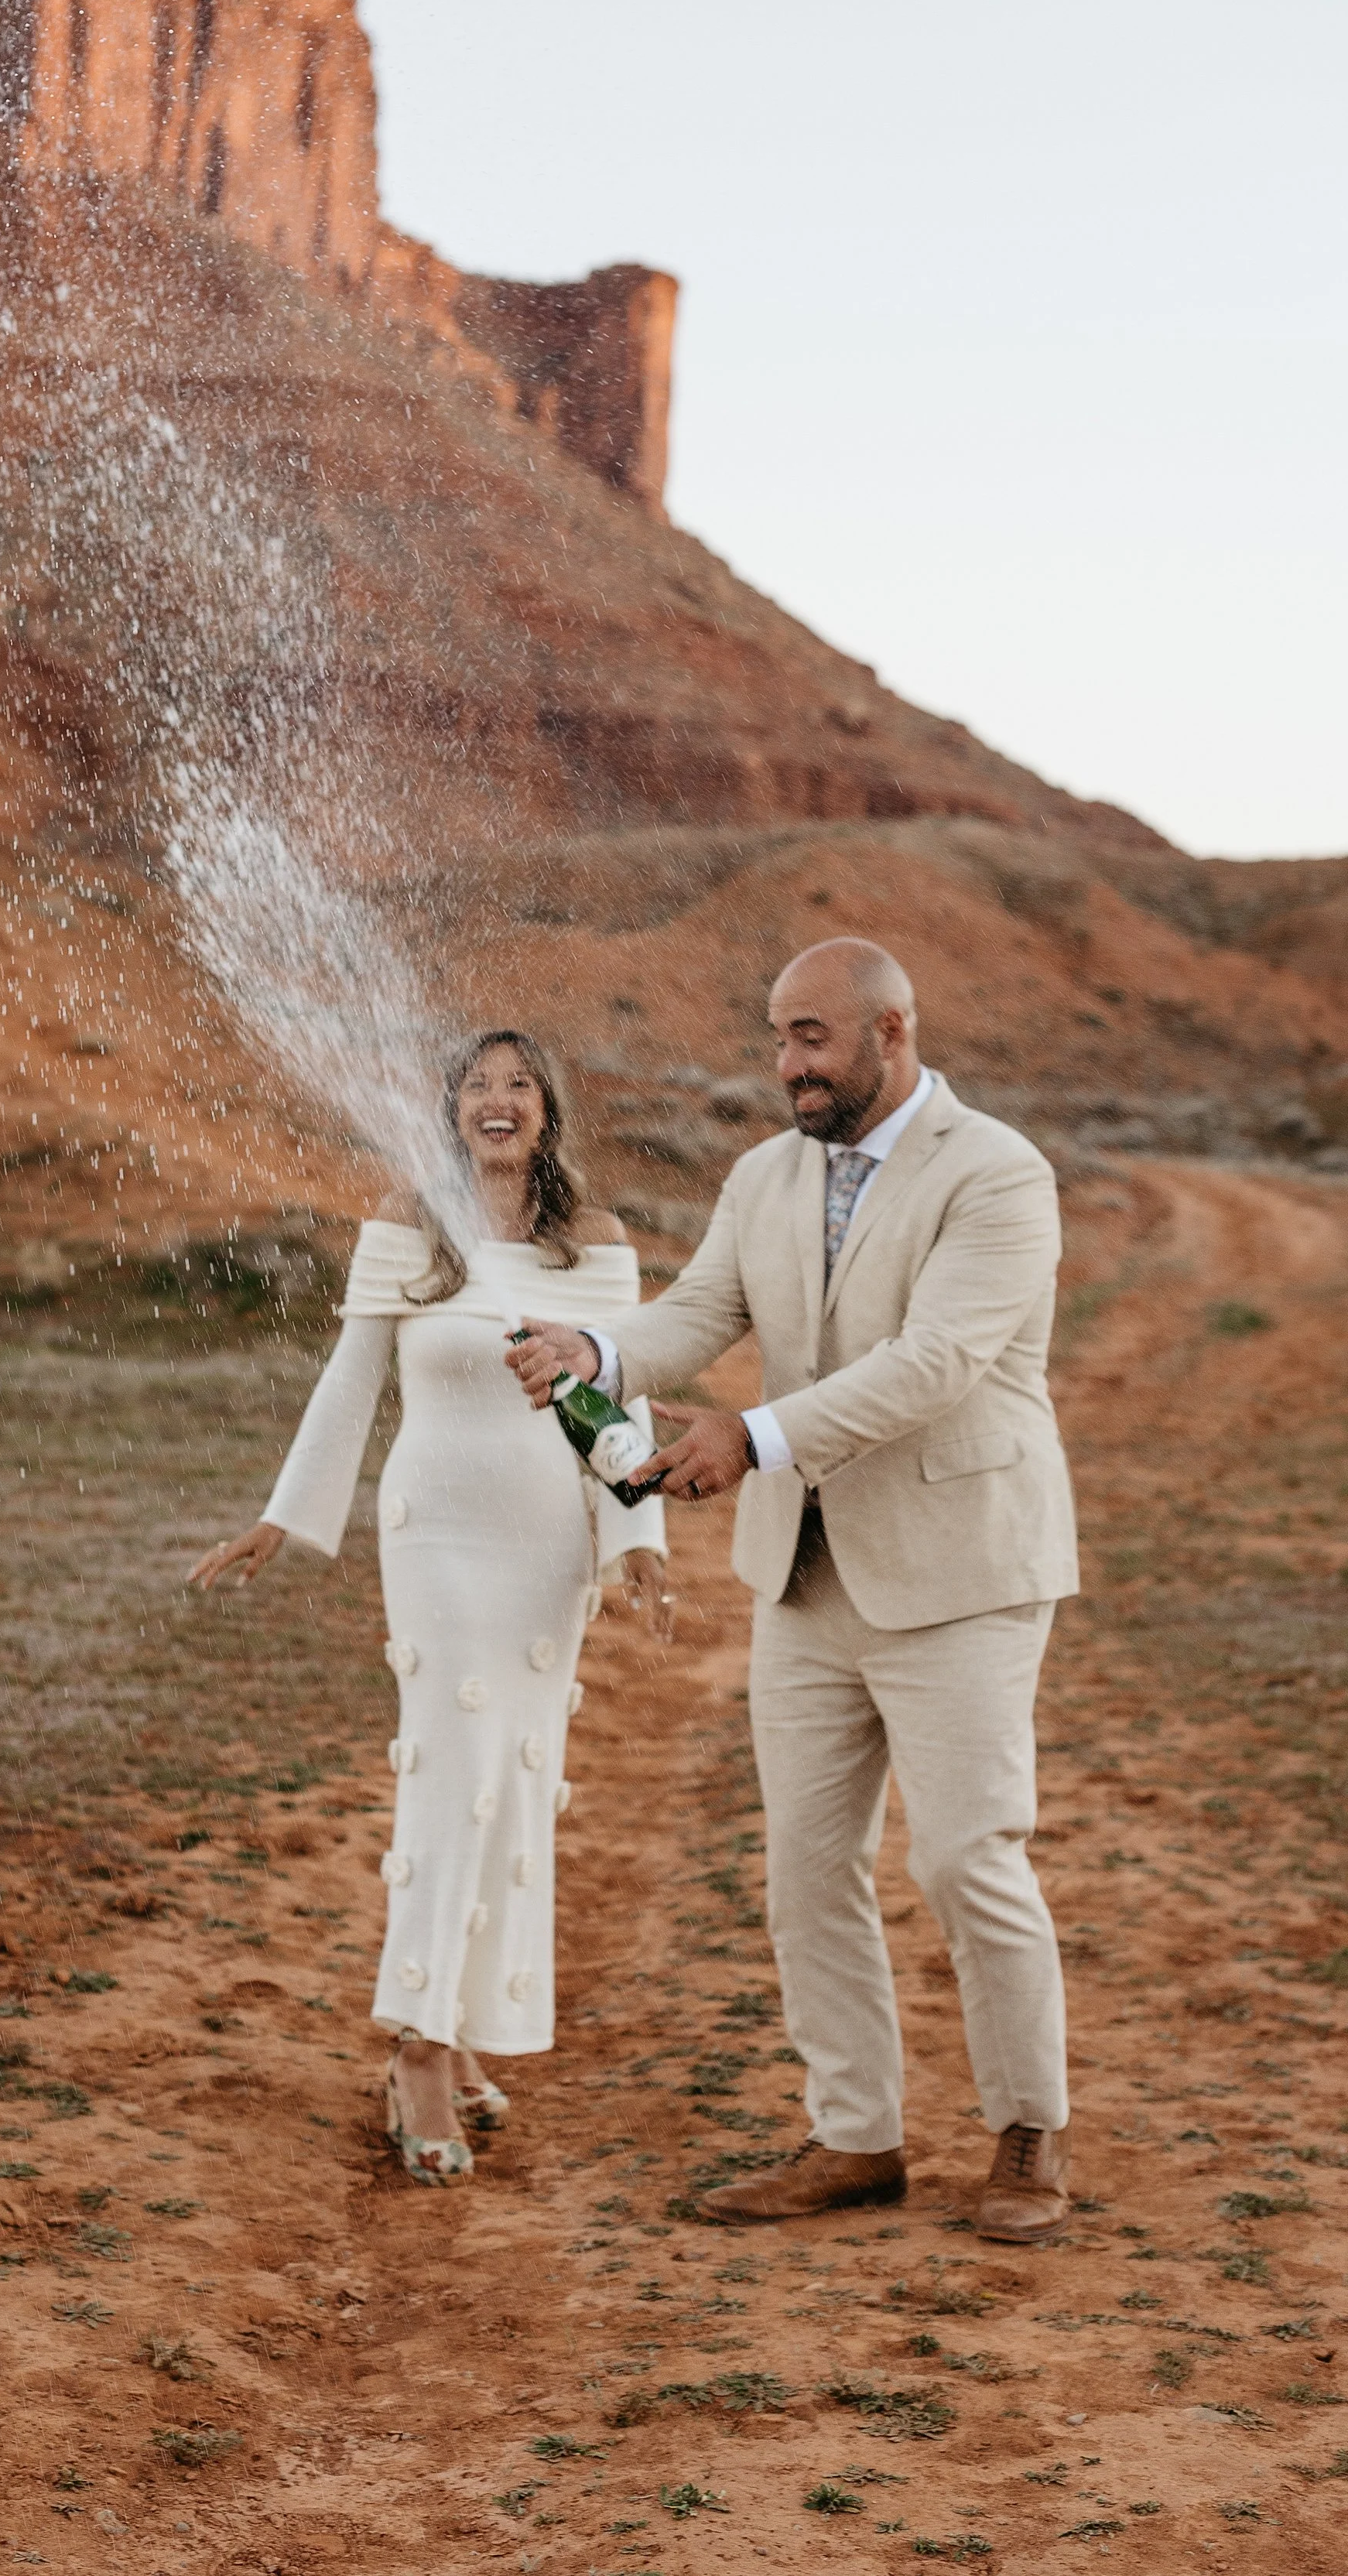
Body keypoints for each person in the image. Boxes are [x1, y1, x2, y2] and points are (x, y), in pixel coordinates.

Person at [507, 939, 1079, 2242]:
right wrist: (594, 1345)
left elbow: (936, 1362)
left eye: (813, 1038)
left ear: (892, 1026)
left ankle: (1028, 2134)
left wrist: (751, 1438)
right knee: (805, 1868)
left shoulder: (997, 1171)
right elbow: (700, 1311)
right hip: (804, 1575)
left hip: (962, 1572)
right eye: (777, 1038)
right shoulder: (766, 1172)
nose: (789, 1066)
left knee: (967, 1855)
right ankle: (855, 2136)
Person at [190, 1031, 672, 2184]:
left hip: (546, 1545)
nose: (497, 1102)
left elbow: (621, 1398)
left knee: (512, 1782)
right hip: (439, 1537)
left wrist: (639, 1535)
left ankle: (454, 2036)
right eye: (477, 1087)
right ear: (451, 1112)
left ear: (548, 1113)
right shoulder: (409, 1224)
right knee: (451, 1775)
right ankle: (412, 2045)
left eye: (519, 1085)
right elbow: (353, 1373)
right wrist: (283, 1513)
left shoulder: (594, 1245)